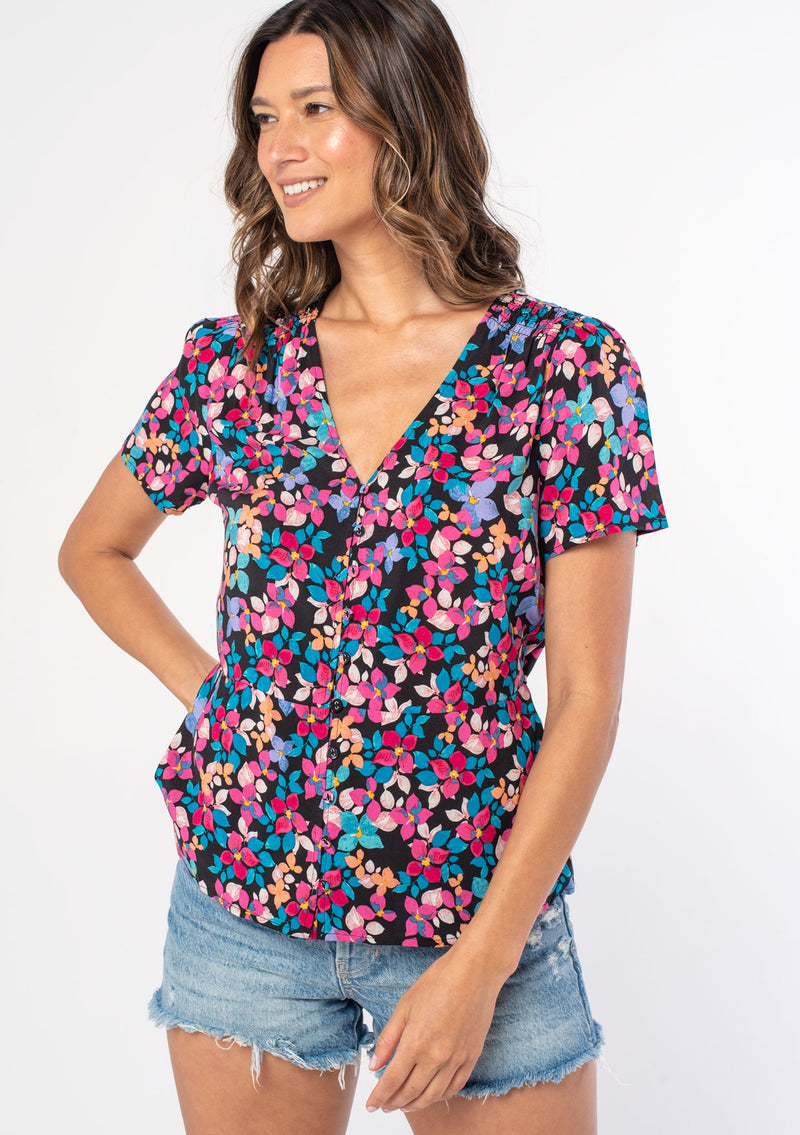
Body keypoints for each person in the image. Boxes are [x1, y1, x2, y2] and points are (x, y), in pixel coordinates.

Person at [58, 0, 668, 1131]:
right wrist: (219, 697)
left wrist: (482, 963)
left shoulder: (564, 370)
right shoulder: (237, 367)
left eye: (314, 108)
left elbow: (586, 698)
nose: (278, 146)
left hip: (476, 911)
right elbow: (93, 550)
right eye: (262, 118)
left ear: (407, 115)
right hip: (246, 902)